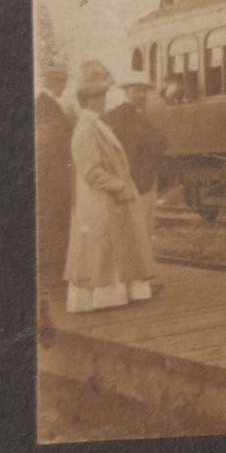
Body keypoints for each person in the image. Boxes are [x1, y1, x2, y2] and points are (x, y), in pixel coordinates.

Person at [62, 68, 155, 312]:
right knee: (101, 252)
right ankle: (102, 297)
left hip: (107, 200)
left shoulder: (95, 124)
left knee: (111, 250)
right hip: (99, 200)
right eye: (101, 96)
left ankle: (114, 295)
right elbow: (91, 171)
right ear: (90, 99)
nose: (104, 101)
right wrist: (119, 186)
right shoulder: (86, 128)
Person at [102, 72, 168, 237]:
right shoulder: (116, 117)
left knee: (141, 236)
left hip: (146, 185)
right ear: (126, 91)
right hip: (130, 186)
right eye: (137, 90)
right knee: (132, 237)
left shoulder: (144, 118)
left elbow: (161, 144)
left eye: (145, 91)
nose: (142, 95)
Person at [35, 58, 76, 301]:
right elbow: (47, 143)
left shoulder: (51, 104)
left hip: (56, 173)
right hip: (53, 175)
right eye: (61, 80)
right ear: (52, 80)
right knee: (56, 222)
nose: (64, 84)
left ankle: (57, 271)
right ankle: (54, 274)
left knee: (58, 222)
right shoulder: (45, 105)